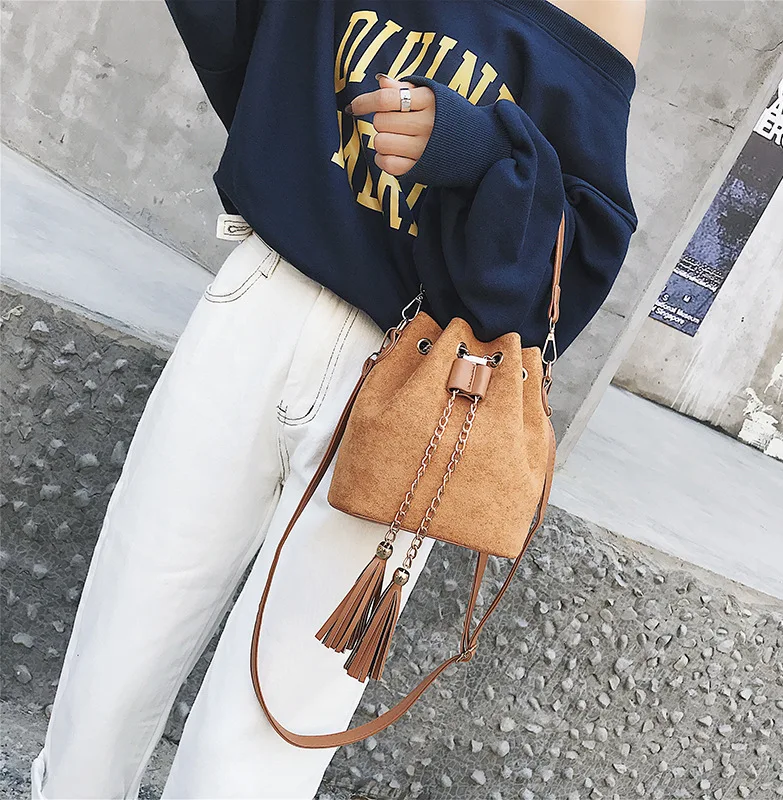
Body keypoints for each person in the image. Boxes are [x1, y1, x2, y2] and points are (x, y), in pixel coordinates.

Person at [31, 1, 646, 797]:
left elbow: (580, 252)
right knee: (122, 634)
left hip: (416, 382)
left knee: (267, 730)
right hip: (263, 297)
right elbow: (250, 47)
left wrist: (481, 154)